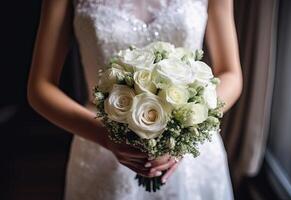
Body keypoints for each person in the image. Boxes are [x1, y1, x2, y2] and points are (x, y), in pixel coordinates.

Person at [27, 0, 242, 199]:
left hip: (193, 152)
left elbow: (231, 73)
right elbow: (40, 87)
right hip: (98, 144)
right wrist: (105, 136)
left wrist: (187, 125)